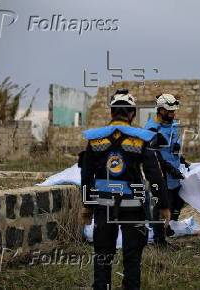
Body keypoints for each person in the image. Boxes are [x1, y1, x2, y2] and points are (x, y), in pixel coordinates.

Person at [79, 89, 170, 290]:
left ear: (112, 113)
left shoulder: (94, 139)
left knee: (103, 255)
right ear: (132, 114)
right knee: (132, 256)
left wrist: (87, 206)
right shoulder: (142, 138)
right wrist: (164, 205)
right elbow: (154, 176)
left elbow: (86, 177)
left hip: (104, 205)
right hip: (133, 206)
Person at [144, 93, 190, 246]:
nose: (173, 114)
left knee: (178, 201)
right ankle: (159, 239)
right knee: (161, 205)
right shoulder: (152, 129)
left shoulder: (174, 125)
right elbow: (154, 155)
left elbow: (173, 148)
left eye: (174, 112)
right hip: (161, 173)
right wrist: (169, 168)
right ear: (161, 110)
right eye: (170, 112)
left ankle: (168, 226)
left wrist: (182, 160)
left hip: (174, 173)